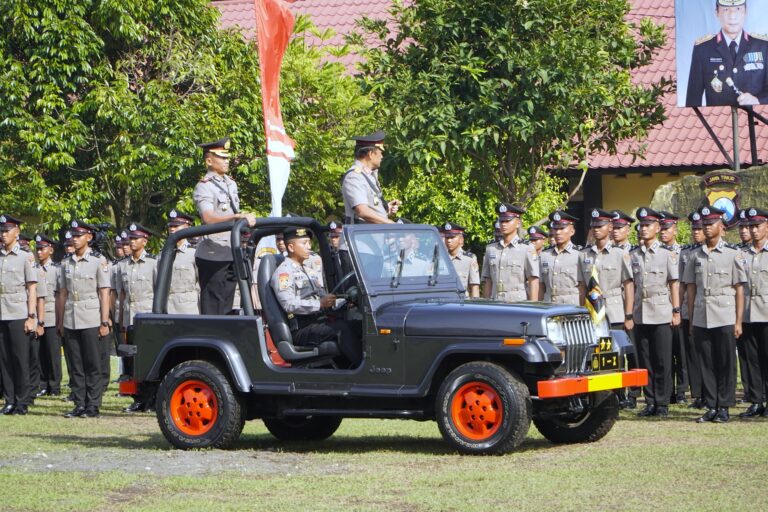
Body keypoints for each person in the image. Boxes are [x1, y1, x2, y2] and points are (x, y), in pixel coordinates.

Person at [683, 206, 747, 423]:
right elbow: (691, 288)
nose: (707, 228)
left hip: (725, 314)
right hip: (702, 315)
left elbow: (739, 289)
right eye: (705, 224)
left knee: (726, 363)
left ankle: (725, 406)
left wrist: (738, 321)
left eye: (711, 224)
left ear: (721, 227)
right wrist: (691, 319)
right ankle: (712, 405)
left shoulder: (732, 254)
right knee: (706, 363)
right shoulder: (695, 255)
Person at [270, 228, 361, 366]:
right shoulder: (284, 273)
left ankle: (350, 367)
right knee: (342, 328)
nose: (309, 247)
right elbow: (289, 304)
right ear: (291, 247)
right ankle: (363, 368)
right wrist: (320, 304)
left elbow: (323, 297)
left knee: (361, 325)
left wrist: (345, 301)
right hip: (301, 328)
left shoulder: (309, 271)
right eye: (304, 243)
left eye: (309, 243)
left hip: (319, 322)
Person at [193, 136, 256, 315]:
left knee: (228, 305)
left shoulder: (231, 183)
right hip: (213, 255)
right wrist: (235, 218)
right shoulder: (204, 186)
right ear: (209, 161)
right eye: (222, 157)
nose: (226, 161)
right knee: (214, 307)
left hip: (232, 251)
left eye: (227, 157)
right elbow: (208, 218)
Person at [56, 220, 112, 418]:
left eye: (78, 236)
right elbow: (63, 294)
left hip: (91, 317)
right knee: (75, 364)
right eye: (73, 235)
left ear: (89, 237)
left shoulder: (98, 261)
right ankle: (79, 404)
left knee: (93, 363)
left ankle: (93, 405)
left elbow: (104, 292)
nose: (74, 239)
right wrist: (60, 321)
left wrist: (104, 321)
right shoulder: (66, 262)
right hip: (71, 316)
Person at [631, 208, 681, 418]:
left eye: (647, 225)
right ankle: (650, 401)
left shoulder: (666, 255)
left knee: (662, 360)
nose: (643, 229)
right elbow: (631, 285)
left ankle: (662, 402)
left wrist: (676, 310)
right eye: (641, 225)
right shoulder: (634, 255)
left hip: (661, 311)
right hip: (640, 312)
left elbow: (674, 284)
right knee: (645, 360)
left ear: (658, 228)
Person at [686, 0, 768, 107]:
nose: (732, 16)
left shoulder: (763, 46)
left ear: (745, 11)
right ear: (717, 12)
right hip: (716, 118)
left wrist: (757, 100)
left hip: (754, 116)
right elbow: (692, 101)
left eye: (738, 9)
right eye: (726, 9)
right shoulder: (702, 49)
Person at [116, 223, 158, 413]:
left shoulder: (153, 263)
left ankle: (152, 398)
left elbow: (158, 291)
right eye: (130, 239)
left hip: (147, 315)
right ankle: (138, 399)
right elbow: (122, 293)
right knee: (131, 360)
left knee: (148, 358)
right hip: (129, 315)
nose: (131, 242)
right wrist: (121, 319)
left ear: (145, 241)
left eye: (135, 238)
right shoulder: (123, 265)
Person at [0, 215, 39, 415]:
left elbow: (32, 288)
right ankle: (9, 400)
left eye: (7, 231)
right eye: (1, 231)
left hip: (18, 313)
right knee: (5, 360)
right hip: (2, 313)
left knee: (20, 359)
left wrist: (31, 316)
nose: (3, 234)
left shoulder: (25, 257)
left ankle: (22, 401)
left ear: (17, 232)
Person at [578, 209, 634, 329]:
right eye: (594, 226)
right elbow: (582, 287)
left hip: (613, 313)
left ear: (610, 227)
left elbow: (628, 285)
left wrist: (628, 315)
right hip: (591, 312)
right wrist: (582, 312)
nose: (596, 230)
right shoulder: (583, 255)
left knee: (614, 341)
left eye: (600, 226)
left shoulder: (620, 254)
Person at [737, 207, 768, 417]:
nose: (753, 230)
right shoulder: (741, 254)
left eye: (757, 226)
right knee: (751, 360)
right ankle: (756, 401)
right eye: (751, 226)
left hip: (766, 313)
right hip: (747, 314)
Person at [341, 130, 401, 226]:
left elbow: (371, 206)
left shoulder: (368, 175)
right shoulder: (354, 177)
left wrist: (385, 209)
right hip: (362, 235)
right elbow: (363, 212)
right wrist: (392, 225)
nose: (382, 156)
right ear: (371, 154)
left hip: (372, 233)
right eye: (380, 152)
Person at [659, 212, 688, 404]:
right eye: (661, 229)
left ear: (675, 230)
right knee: (666, 354)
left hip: (679, 307)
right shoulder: (656, 253)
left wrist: (679, 309)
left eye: (666, 229)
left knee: (681, 351)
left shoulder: (683, 252)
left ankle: (682, 390)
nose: (663, 232)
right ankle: (668, 390)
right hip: (661, 309)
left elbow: (683, 283)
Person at [481, 203, 539, 302]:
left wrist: (533, 307)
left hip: (517, 304)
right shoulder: (491, 248)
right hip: (495, 302)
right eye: (501, 221)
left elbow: (533, 280)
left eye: (508, 221)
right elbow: (487, 280)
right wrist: (486, 306)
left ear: (518, 223)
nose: (503, 224)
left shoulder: (526, 248)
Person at [681, 212, 707, 409]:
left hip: (710, 308)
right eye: (694, 229)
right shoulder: (688, 253)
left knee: (709, 355)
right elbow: (683, 285)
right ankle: (698, 394)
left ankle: (711, 394)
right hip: (691, 309)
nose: (696, 232)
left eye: (700, 228)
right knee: (692, 353)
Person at [34, 234, 62, 397]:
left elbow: (60, 295)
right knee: (39, 353)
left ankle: (55, 385)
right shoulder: (33, 269)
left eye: (42, 249)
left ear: (50, 250)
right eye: (37, 249)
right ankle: (42, 384)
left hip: (52, 316)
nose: (39, 252)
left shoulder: (57, 270)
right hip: (36, 317)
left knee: (53, 353)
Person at [538, 210, 580, 305]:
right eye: (555, 229)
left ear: (572, 231)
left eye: (561, 228)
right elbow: (541, 286)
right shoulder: (544, 255)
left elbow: (584, 287)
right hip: (548, 305)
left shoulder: (579, 255)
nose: (557, 232)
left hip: (571, 306)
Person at [165, 210, 200, 315]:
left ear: (187, 227)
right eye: (170, 226)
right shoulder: (163, 254)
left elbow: (201, 284)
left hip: (188, 309)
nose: (172, 229)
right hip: (167, 309)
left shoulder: (194, 252)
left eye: (176, 226)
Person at [441, 222, 480, 298]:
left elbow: (474, 286)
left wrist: (475, 303)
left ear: (461, 239)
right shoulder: (440, 259)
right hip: (443, 302)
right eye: (447, 237)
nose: (449, 241)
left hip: (462, 302)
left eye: (452, 237)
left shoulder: (469, 259)